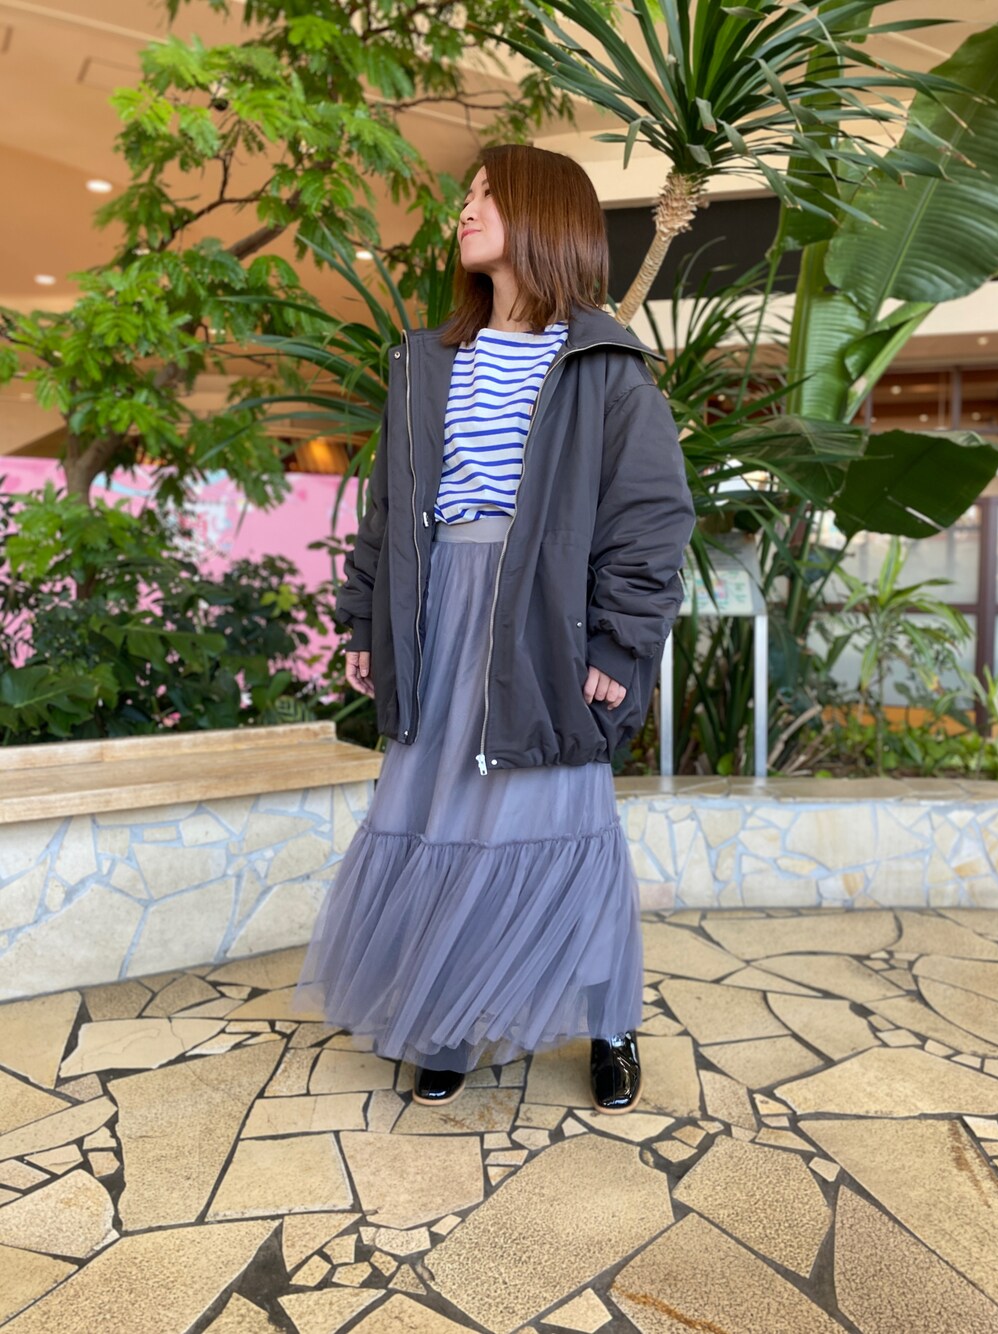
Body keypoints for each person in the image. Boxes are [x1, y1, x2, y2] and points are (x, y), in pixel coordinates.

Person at [293, 143, 695, 1114]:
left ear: (543, 216)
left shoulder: (605, 364)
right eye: (467, 195)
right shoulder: (428, 361)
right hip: (438, 609)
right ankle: (446, 1015)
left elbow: (649, 515)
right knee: (436, 812)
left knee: (557, 815)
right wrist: (365, 618)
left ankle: (608, 1020)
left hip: (542, 617)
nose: (463, 211)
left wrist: (618, 642)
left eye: (486, 196)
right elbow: (390, 510)